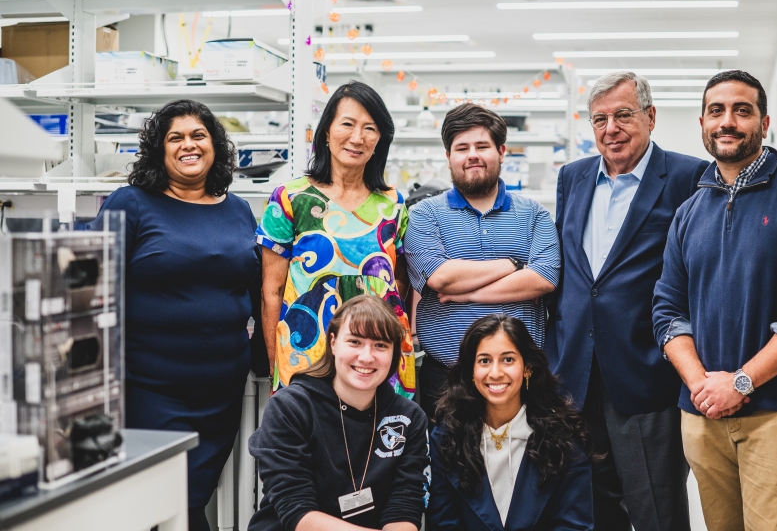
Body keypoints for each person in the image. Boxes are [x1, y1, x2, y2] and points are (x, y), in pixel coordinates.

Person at [652, 70, 777, 530]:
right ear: (702, 122)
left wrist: (738, 384)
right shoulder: (689, 211)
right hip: (702, 414)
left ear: (764, 122)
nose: (728, 122)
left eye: (742, 110)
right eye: (716, 111)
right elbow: (666, 310)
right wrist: (702, 384)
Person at [90, 99, 266, 531]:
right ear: (159, 149)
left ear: (214, 146)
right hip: (149, 385)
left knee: (193, 497)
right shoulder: (130, 203)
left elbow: (257, 287)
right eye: (176, 137)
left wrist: (263, 358)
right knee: (166, 501)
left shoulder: (238, 209)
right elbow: (91, 287)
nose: (189, 145)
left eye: (198, 135)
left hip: (222, 386)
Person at [544, 71, 707, 530]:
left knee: (655, 509)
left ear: (650, 117)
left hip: (645, 370)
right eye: (599, 119)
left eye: (622, 115)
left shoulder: (687, 176)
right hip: (575, 373)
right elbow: (571, 274)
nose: (610, 129)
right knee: (589, 509)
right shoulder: (572, 178)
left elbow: (694, 276)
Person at [256, 81, 415, 397]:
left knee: (378, 442)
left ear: (380, 140)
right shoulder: (290, 199)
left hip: (378, 356)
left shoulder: (393, 204)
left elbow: (399, 281)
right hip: (307, 350)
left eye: (370, 128)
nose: (358, 138)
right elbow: (271, 291)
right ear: (326, 132)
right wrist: (277, 363)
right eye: (347, 124)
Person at [404, 103, 560, 424]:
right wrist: (513, 264)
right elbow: (441, 278)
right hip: (447, 380)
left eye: (482, 146)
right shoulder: (423, 215)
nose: (472, 154)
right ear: (448, 156)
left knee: (524, 469)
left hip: (521, 382)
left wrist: (466, 293)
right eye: (462, 148)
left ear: (501, 152)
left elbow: (543, 278)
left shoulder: (535, 214)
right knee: (448, 470)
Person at [248, 295, 429, 531]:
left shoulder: (410, 418)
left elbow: (405, 507)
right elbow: (297, 513)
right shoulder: (290, 407)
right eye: (355, 342)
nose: (366, 356)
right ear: (333, 343)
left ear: (394, 353)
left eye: (380, 345)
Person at [427, 314, 593, 531]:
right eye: (484, 361)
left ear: (527, 368)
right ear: (471, 371)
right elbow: (443, 525)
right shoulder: (446, 438)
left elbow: (574, 526)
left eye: (508, 359)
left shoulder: (565, 438)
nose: (496, 373)